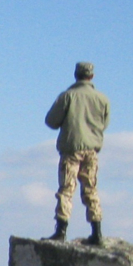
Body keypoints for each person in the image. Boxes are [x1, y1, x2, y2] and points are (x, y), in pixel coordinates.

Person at [44, 61, 110, 245]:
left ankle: (61, 230)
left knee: (66, 189)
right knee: (90, 188)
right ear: (92, 76)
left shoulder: (68, 96)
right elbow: (104, 124)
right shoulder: (102, 99)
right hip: (92, 150)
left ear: (76, 75)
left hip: (71, 148)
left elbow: (51, 121)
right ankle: (97, 231)